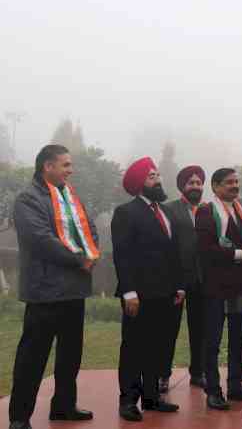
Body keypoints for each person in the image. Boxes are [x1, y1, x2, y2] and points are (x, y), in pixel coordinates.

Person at [9, 145, 98, 429]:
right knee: (32, 359)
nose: (70, 170)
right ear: (47, 166)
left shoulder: (70, 196)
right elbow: (40, 239)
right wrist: (78, 259)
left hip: (74, 290)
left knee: (70, 356)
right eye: (66, 165)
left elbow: (89, 228)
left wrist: (91, 253)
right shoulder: (28, 199)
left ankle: (63, 406)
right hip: (45, 291)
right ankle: (19, 418)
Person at [112, 157, 184, 422]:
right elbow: (123, 255)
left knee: (157, 346)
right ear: (139, 183)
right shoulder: (126, 212)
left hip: (165, 293)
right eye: (151, 175)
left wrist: (179, 286)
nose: (158, 179)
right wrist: (129, 292)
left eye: (157, 174)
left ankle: (152, 398)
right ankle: (129, 401)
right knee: (134, 348)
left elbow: (173, 253)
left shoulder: (165, 211)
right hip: (139, 295)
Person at [196, 168, 242, 410]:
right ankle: (213, 390)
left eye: (236, 182)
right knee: (213, 341)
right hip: (216, 286)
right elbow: (206, 250)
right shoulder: (207, 211)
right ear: (215, 187)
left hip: (240, 285)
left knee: (238, 338)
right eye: (228, 183)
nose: (234, 186)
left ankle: (235, 386)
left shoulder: (239, 210)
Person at [160, 165, 207, 391]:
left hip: (202, 280)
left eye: (199, 183)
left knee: (200, 329)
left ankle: (197, 373)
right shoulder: (169, 210)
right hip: (176, 281)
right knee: (168, 329)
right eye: (191, 183)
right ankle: (163, 375)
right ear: (183, 187)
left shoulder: (208, 210)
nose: (195, 186)